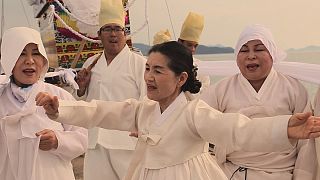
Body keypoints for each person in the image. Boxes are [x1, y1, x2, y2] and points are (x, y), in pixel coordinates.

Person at [36, 41, 320, 180]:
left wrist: (284, 129)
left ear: (181, 78)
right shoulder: (143, 110)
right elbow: (100, 111)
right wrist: (62, 108)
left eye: (158, 70)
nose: (148, 77)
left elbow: (237, 128)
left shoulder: (194, 113)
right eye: (147, 69)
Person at [200, 24, 317, 179]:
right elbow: (200, 126)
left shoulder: (294, 89)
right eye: (244, 50)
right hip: (231, 172)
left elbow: (306, 144)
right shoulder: (220, 89)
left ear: (272, 53)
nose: (251, 55)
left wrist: (302, 176)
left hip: (281, 173)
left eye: (259, 49)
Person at [0, 27, 88, 180]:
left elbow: (83, 137)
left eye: (35, 53)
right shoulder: (2, 99)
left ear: (43, 59)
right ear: (8, 59)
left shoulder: (60, 96)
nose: (29, 60)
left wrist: (57, 141)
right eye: (21, 54)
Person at [74, 0, 146, 179]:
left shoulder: (139, 63)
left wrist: (144, 130)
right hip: (95, 141)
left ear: (124, 33)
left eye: (117, 29)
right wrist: (81, 88)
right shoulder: (91, 63)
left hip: (126, 142)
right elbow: (84, 104)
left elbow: (148, 101)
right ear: (99, 34)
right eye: (107, 29)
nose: (113, 34)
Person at [177, 12, 210, 93]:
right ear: (179, 42)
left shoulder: (200, 67)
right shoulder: (168, 64)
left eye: (195, 46)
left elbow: (205, 93)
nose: (193, 49)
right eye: (189, 45)